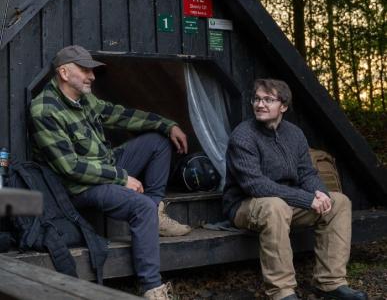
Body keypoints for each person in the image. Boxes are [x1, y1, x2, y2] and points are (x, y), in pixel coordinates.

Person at [29, 45, 191, 300]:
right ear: (63, 72)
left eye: (92, 70)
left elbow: (119, 115)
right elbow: (70, 168)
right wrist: (122, 178)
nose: (92, 76)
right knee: (141, 208)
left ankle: (155, 208)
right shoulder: (45, 110)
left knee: (158, 142)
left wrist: (166, 124)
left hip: (107, 164)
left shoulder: (85, 99)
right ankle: (152, 288)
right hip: (79, 187)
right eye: (85, 70)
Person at [222, 78, 368, 300]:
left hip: (286, 202)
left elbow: (306, 173)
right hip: (246, 205)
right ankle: (282, 291)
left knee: (339, 203)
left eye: (268, 100)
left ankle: (330, 282)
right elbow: (256, 185)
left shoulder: (295, 133)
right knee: (275, 206)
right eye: (257, 99)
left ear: (283, 106)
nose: (260, 104)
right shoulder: (243, 135)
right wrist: (306, 199)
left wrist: (320, 194)